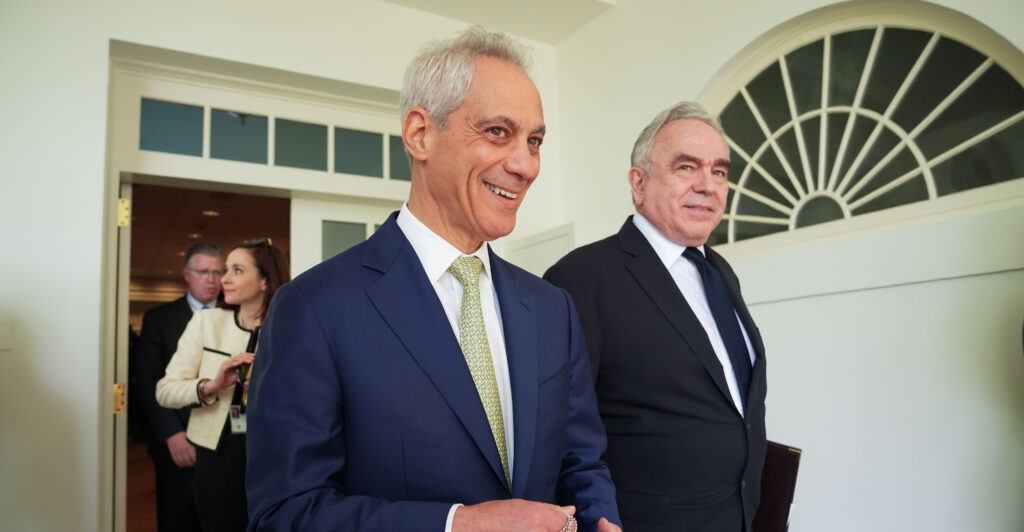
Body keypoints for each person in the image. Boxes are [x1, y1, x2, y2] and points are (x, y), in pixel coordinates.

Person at [245, 26, 621, 532]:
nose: (526, 165)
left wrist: (601, 520)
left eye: (534, 141)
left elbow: (583, 463)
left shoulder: (552, 307)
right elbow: (285, 514)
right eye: (497, 133)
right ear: (420, 134)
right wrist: (458, 524)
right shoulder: (313, 309)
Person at [544, 101, 768, 532]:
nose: (708, 185)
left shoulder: (720, 272)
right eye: (687, 167)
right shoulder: (580, 279)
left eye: (719, 171)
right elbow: (561, 436)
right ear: (639, 183)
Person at [156, 238, 290, 532]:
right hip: (218, 455)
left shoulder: (290, 329)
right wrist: (211, 385)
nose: (224, 279)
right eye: (225, 269)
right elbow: (164, 390)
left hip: (274, 455)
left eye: (237, 271)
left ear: (265, 279)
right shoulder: (207, 323)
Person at [134, 242, 225, 532]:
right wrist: (171, 433)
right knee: (177, 517)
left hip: (223, 441)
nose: (211, 280)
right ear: (187, 275)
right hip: (176, 438)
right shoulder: (159, 319)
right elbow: (148, 382)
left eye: (217, 272)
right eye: (203, 272)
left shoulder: (235, 316)